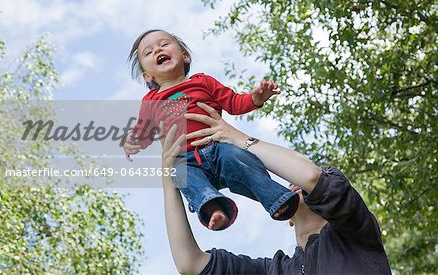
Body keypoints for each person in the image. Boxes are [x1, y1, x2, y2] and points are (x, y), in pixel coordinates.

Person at [154, 102, 392, 274]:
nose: (294, 183)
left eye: (298, 182)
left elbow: (310, 175)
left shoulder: (356, 232)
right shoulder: (274, 270)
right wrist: (171, 181)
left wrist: (237, 139)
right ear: (288, 218)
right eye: (290, 184)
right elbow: (190, 264)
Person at [124, 29, 299, 230]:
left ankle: (276, 198)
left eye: (164, 44)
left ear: (185, 56)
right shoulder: (150, 101)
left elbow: (233, 102)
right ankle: (213, 207)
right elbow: (144, 130)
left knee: (237, 156)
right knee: (179, 173)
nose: (157, 50)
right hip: (186, 159)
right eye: (148, 52)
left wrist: (256, 98)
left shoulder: (202, 82)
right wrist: (133, 142)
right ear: (147, 75)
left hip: (218, 148)